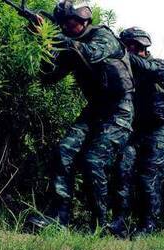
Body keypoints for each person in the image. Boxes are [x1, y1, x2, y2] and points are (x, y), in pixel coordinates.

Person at [28, 1, 134, 230]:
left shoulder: (102, 36)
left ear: (84, 20)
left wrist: (56, 38)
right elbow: (48, 77)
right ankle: (59, 220)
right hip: (95, 108)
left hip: (119, 110)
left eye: (71, 21)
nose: (67, 26)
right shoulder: (70, 44)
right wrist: (43, 42)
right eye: (63, 23)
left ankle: (101, 225)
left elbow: (91, 53)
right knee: (64, 151)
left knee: (93, 161)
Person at [109, 27, 164, 236]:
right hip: (135, 130)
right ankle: (119, 221)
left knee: (149, 179)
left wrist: (121, 52)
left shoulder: (160, 65)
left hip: (157, 132)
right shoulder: (126, 66)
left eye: (136, 46)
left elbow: (150, 69)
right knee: (122, 171)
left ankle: (148, 226)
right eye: (129, 46)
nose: (134, 49)